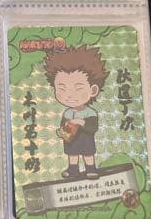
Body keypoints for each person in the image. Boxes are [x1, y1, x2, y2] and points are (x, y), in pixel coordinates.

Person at [44, 45, 108, 179]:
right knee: (72, 154)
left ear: (93, 90)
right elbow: (63, 125)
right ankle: (73, 170)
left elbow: (93, 127)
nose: (69, 95)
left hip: (85, 139)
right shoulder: (67, 113)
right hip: (71, 140)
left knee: (88, 154)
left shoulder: (90, 112)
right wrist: (62, 131)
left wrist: (81, 122)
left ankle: (91, 169)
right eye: (62, 88)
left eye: (78, 88)